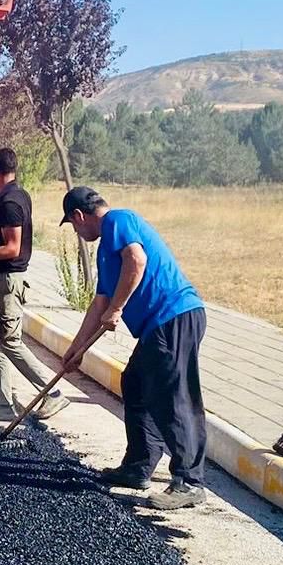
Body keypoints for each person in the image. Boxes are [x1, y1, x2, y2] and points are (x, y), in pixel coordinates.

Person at [58, 186, 207, 510]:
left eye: (73, 225)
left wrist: (118, 308)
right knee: (136, 384)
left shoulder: (118, 221)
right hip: (161, 324)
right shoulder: (105, 250)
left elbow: (137, 260)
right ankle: (138, 467)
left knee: (172, 395)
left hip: (174, 316)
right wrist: (77, 348)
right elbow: (99, 304)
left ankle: (190, 481)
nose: (77, 232)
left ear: (79, 217)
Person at [0, 148, 68, 421]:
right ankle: (3, 404)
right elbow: (6, 221)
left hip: (7, 280)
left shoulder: (9, 202)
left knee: (9, 342)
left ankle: (52, 393)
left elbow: (11, 247)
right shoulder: (13, 196)